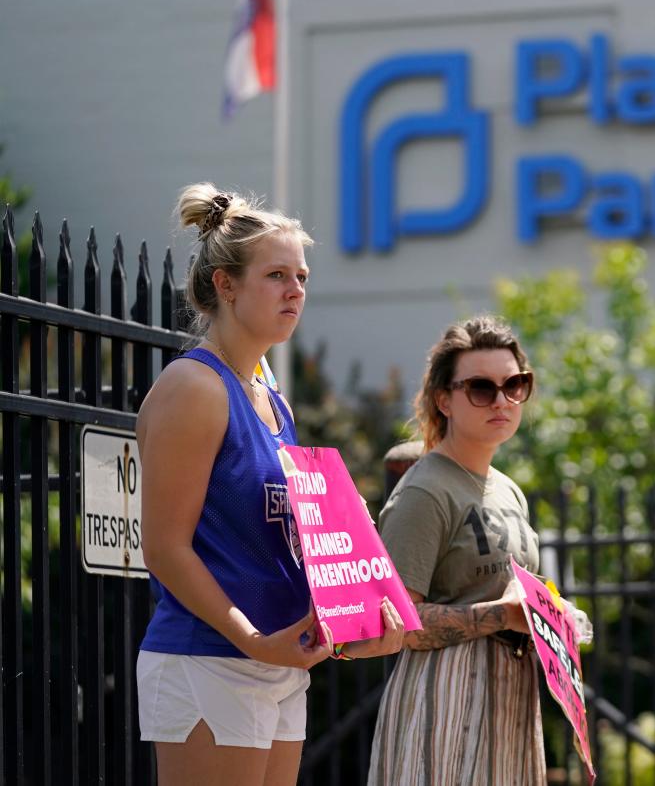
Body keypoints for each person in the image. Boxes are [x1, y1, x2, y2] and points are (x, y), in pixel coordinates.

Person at [136, 183, 405, 786]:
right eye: (277, 274)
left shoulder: (271, 399)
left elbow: (292, 542)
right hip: (207, 658)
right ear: (225, 286)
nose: (296, 291)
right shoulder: (193, 388)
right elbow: (164, 549)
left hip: (278, 661)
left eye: (303, 277)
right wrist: (255, 640)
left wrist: (352, 626)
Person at [368, 316, 545, 785]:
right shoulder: (425, 490)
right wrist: (502, 615)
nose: (502, 400)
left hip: (510, 700)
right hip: (443, 702)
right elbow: (397, 624)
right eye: (482, 388)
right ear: (444, 398)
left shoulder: (509, 490)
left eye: (515, 385)